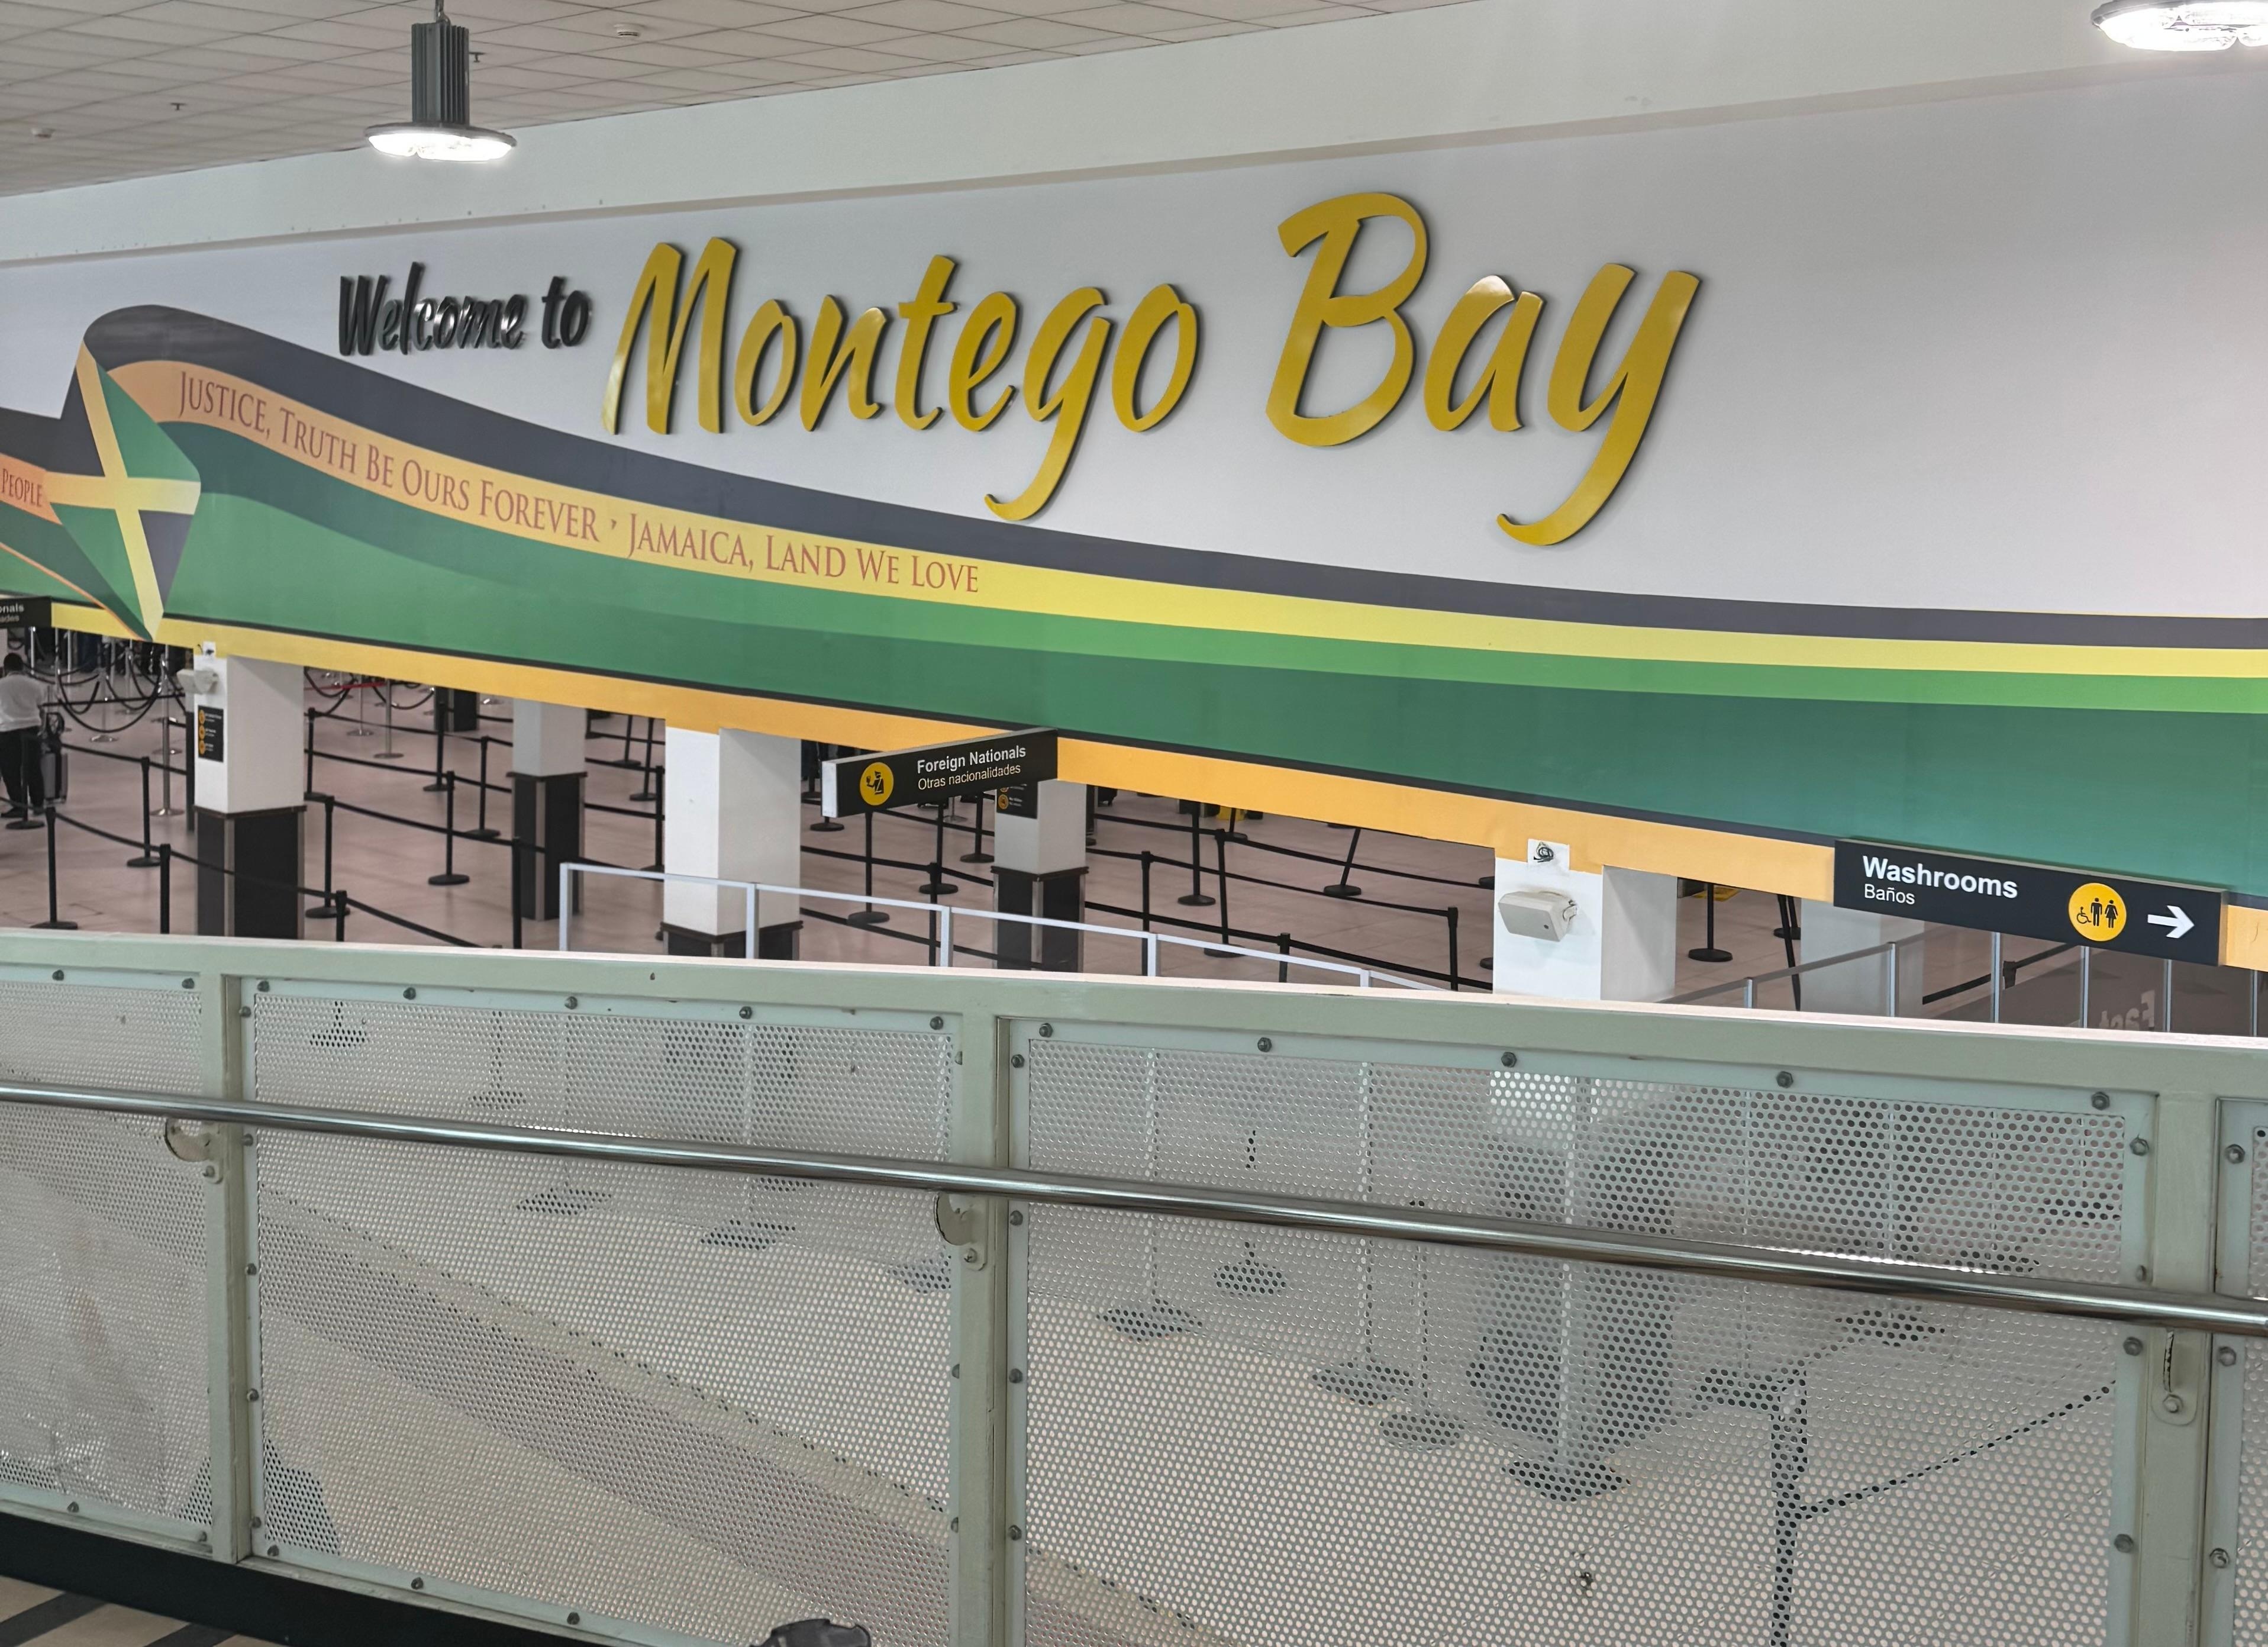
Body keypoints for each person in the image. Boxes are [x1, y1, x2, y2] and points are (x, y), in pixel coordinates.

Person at [0, 652, 47, 827]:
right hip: (31, 729)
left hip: (8, 730)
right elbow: (41, 707)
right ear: (22, 667)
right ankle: (38, 803)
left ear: (5, 669)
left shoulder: (1, 685)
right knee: (33, 767)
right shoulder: (35, 684)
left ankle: (19, 804)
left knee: (10, 770)